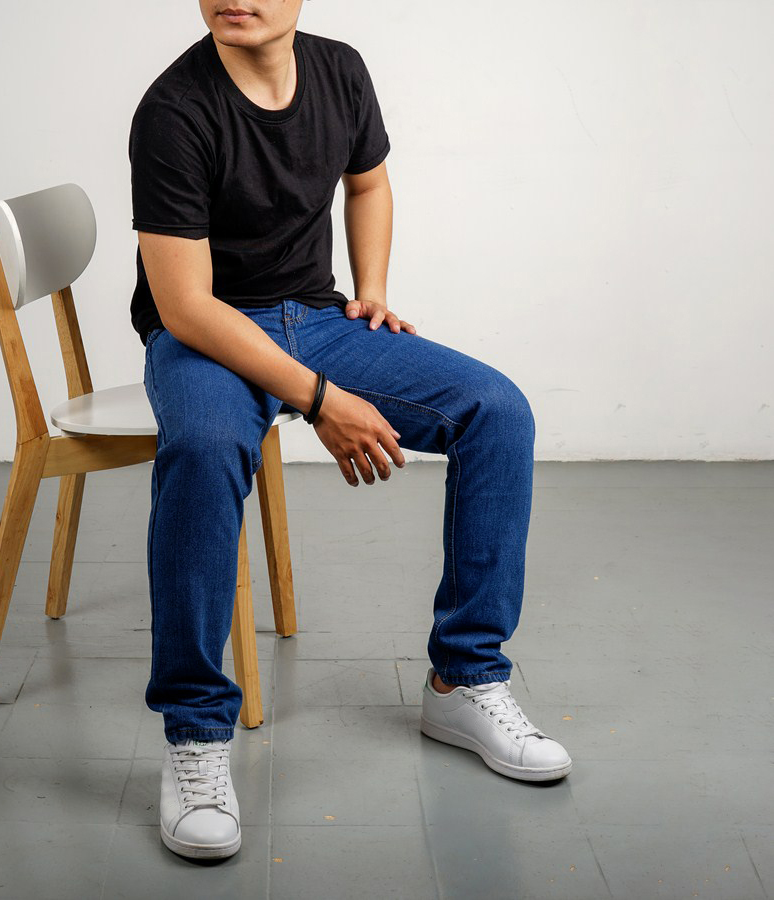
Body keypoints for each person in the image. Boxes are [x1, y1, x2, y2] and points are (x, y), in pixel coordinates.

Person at [129, 0, 573, 862]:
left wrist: (370, 291)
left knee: (498, 411)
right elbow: (184, 306)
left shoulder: (340, 69)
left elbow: (367, 181)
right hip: (208, 333)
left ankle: (464, 680)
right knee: (205, 448)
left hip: (318, 318)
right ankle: (194, 733)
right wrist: (321, 399)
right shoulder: (174, 110)